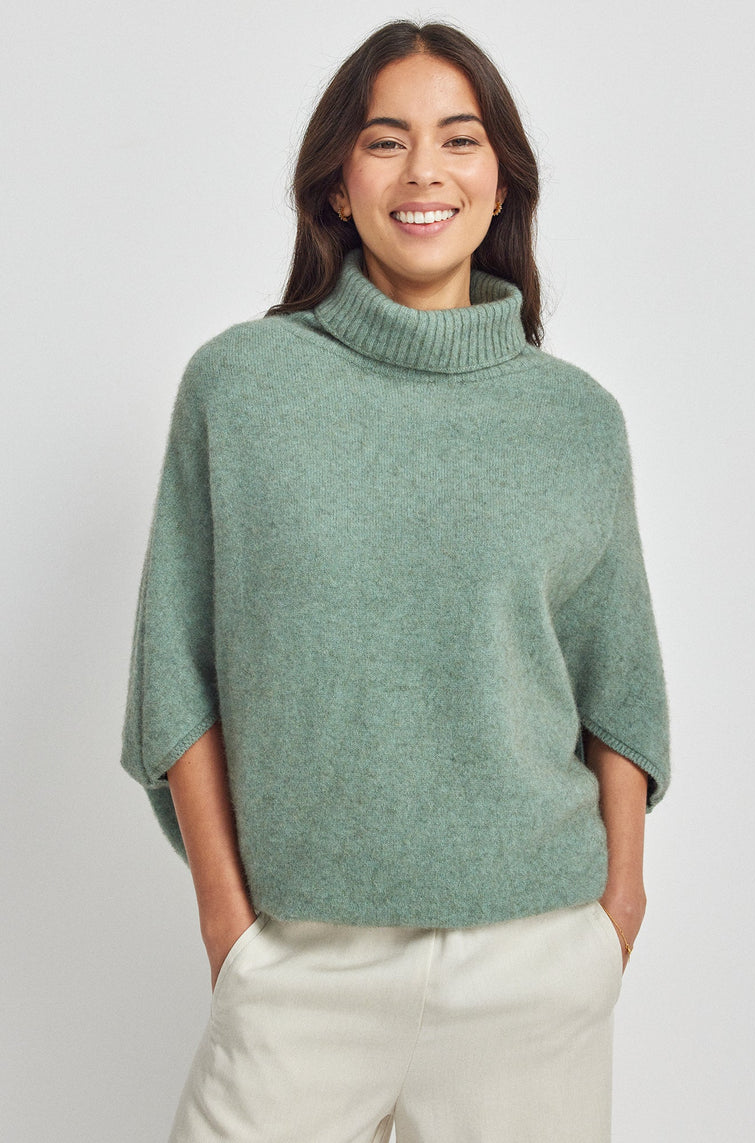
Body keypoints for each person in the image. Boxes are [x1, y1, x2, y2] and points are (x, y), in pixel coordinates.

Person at [120, 18, 670, 1143]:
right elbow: (173, 672)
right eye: (385, 141)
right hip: (299, 959)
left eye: (459, 140)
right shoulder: (242, 388)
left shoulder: (574, 420)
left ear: (500, 182)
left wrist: (615, 912)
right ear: (337, 184)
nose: (425, 171)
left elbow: (619, 685)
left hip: (532, 962)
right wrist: (229, 927)